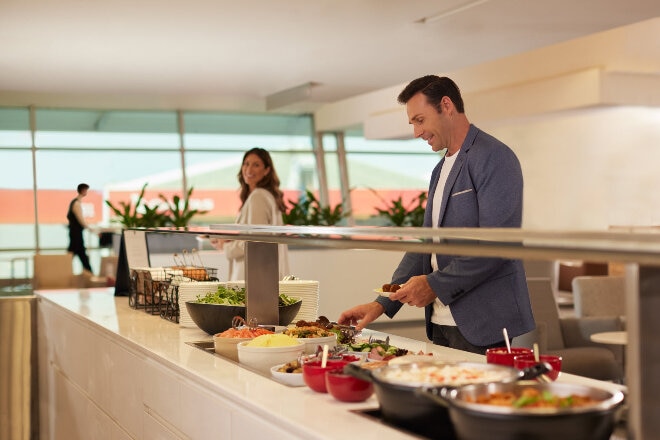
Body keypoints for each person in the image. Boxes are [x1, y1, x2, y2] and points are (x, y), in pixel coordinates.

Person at [338, 75, 534, 354]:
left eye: (420, 120)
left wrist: (433, 284)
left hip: (484, 321)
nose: (417, 132)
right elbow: (425, 245)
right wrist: (382, 302)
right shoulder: (439, 170)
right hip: (441, 321)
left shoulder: (494, 157)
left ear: (446, 105)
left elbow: (496, 246)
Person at [210, 147, 290, 281]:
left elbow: (255, 241)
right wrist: (231, 238)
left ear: (267, 170)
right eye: (246, 164)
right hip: (264, 274)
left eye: (256, 165)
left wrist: (225, 246)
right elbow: (259, 235)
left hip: (254, 277)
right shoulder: (266, 196)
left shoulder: (258, 197)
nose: (249, 169)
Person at [67, 183, 93, 273]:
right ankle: (90, 273)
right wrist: (91, 230)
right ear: (82, 190)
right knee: (80, 254)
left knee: (74, 254)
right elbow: (81, 220)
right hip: (76, 234)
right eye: (86, 190)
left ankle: (89, 272)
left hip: (74, 233)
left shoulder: (75, 202)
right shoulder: (77, 204)